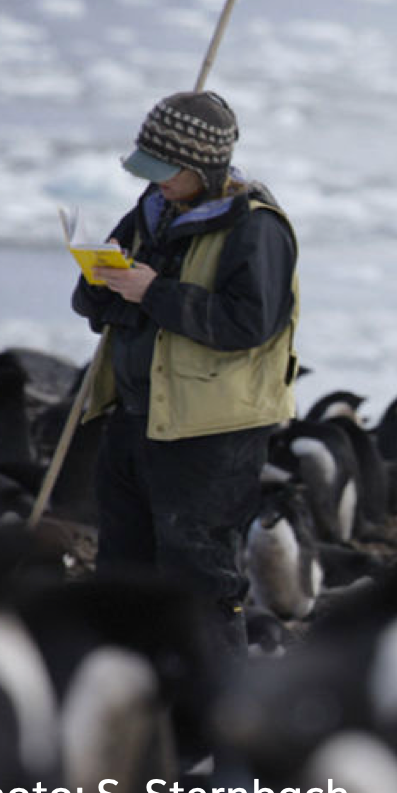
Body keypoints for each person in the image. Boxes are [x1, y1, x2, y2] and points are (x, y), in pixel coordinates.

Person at [71, 90, 299, 655]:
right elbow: (101, 307)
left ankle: (209, 717)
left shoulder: (255, 229)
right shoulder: (152, 209)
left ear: (203, 167)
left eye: (167, 171)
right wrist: (101, 283)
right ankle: (130, 695)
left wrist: (155, 291)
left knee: (199, 583)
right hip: (134, 418)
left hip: (209, 438)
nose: (156, 182)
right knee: (123, 573)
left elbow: (251, 323)